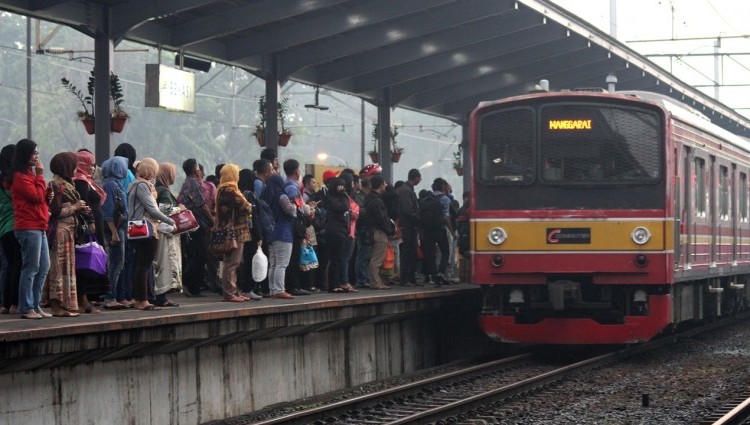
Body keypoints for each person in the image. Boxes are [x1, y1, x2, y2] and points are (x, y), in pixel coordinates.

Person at [127, 158, 175, 311]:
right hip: (146, 228)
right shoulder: (142, 185)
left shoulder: (138, 184)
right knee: (143, 266)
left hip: (143, 227)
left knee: (141, 265)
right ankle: (141, 300)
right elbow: (152, 209)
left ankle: (141, 298)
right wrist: (170, 221)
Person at [11, 139, 51, 319]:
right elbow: (35, 197)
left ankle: (35, 304)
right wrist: (41, 176)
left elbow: (41, 197)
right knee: (31, 266)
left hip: (39, 224)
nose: (36, 157)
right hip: (28, 226)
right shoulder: (20, 177)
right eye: (34, 153)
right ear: (25, 154)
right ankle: (26, 307)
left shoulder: (30, 174)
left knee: (44, 266)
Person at [45, 152, 89, 317]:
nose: (76, 169)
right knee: (58, 269)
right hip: (60, 232)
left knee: (67, 270)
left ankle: (65, 305)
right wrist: (75, 207)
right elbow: (54, 212)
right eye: (73, 165)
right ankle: (57, 306)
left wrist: (80, 209)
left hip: (69, 231)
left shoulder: (67, 184)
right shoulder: (56, 185)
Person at [73, 149, 108, 313]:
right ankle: (83, 299)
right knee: (85, 263)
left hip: (94, 227)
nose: (93, 168)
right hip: (88, 229)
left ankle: (89, 298)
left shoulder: (87, 181)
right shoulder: (80, 181)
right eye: (90, 165)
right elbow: (84, 203)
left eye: (94, 165)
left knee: (92, 261)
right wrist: (91, 220)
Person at [215, 164, 253, 302]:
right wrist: (249, 205)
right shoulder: (229, 189)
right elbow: (246, 206)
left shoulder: (224, 188)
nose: (238, 176)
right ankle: (230, 293)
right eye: (236, 173)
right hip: (234, 230)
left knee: (234, 262)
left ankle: (234, 292)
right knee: (232, 262)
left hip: (234, 230)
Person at [178, 158, 214, 297]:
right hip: (197, 223)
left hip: (190, 223)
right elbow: (202, 204)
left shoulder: (185, 183)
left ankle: (192, 284)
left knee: (194, 253)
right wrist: (212, 221)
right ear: (195, 170)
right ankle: (191, 284)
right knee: (200, 254)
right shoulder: (194, 183)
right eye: (198, 168)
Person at [100, 156, 130, 310]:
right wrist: (114, 233)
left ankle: (118, 295)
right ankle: (110, 296)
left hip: (119, 227)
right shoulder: (111, 185)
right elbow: (108, 211)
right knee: (116, 264)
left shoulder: (112, 183)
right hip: (114, 229)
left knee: (119, 263)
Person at [153, 162, 182, 307]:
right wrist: (179, 209)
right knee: (164, 263)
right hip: (164, 233)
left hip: (158, 230)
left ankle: (158, 296)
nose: (174, 176)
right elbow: (164, 210)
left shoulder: (156, 188)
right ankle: (161, 297)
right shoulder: (163, 191)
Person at [264, 173, 296, 299]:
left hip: (271, 233)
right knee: (282, 263)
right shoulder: (282, 196)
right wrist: (295, 206)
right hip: (283, 233)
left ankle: (273, 290)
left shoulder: (267, 196)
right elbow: (291, 211)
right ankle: (279, 290)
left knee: (273, 264)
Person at [282, 159, 311, 296]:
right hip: (294, 226)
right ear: (296, 171)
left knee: (292, 257)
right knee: (293, 257)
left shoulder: (287, 185)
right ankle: (293, 286)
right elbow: (300, 209)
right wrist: (310, 210)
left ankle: (293, 285)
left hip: (292, 226)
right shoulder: (292, 188)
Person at [361, 175, 394, 289]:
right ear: (380, 185)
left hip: (372, 230)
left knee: (374, 257)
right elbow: (381, 218)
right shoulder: (377, 201)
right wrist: (389, 230)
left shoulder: (368, 198)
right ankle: (375, 282)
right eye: (384, 184)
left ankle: (377, 281)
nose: (385, 185)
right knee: (377, 259)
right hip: (379, 232)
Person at [421, 178, 456, 287]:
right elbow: (446, 217)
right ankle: (441, 272)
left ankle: (435, 278)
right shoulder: (444, 199)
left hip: (427, 230)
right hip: (439, 229)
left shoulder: (426, 198)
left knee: (430, 255)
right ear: (442, 187)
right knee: (445, 251)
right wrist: (452, 232)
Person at [0, 144, 20, 315]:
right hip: (16, 224)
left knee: (8, 266)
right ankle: (14, 303)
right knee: (17, 264)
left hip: (3, 227)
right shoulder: (14, 180)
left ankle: (5, 304)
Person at [324, 176, 354, 293]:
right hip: (335, 231)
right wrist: (343, 193)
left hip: (340, 231)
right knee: (335, 259)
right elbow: (344, 207)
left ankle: (336, 283)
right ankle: (333, 285)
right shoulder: (333, 198)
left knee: (337, 258)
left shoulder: (338, 197)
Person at [397, 169, 421, 287]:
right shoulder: (406, 191)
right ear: (416, 177)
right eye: (419, 178)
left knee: (411, 252)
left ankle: (410, 277)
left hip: (409, 225)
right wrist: (417, 218)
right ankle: (405, 278)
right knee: (408, 252)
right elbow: (408, 209)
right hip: (408, 225)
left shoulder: (406, 190)